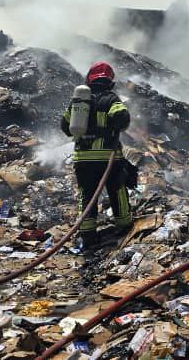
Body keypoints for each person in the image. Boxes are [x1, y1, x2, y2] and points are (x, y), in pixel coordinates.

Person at [60, 62, 133, 248]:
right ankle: (124, 226)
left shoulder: (78, 101)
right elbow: (122, 119)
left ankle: (88, 234)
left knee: (87, 194)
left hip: (83, 159)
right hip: (108, 158)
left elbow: (65, 127)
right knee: (117, 190)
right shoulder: (111, 99)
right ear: (109, 81)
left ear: (89, 79)